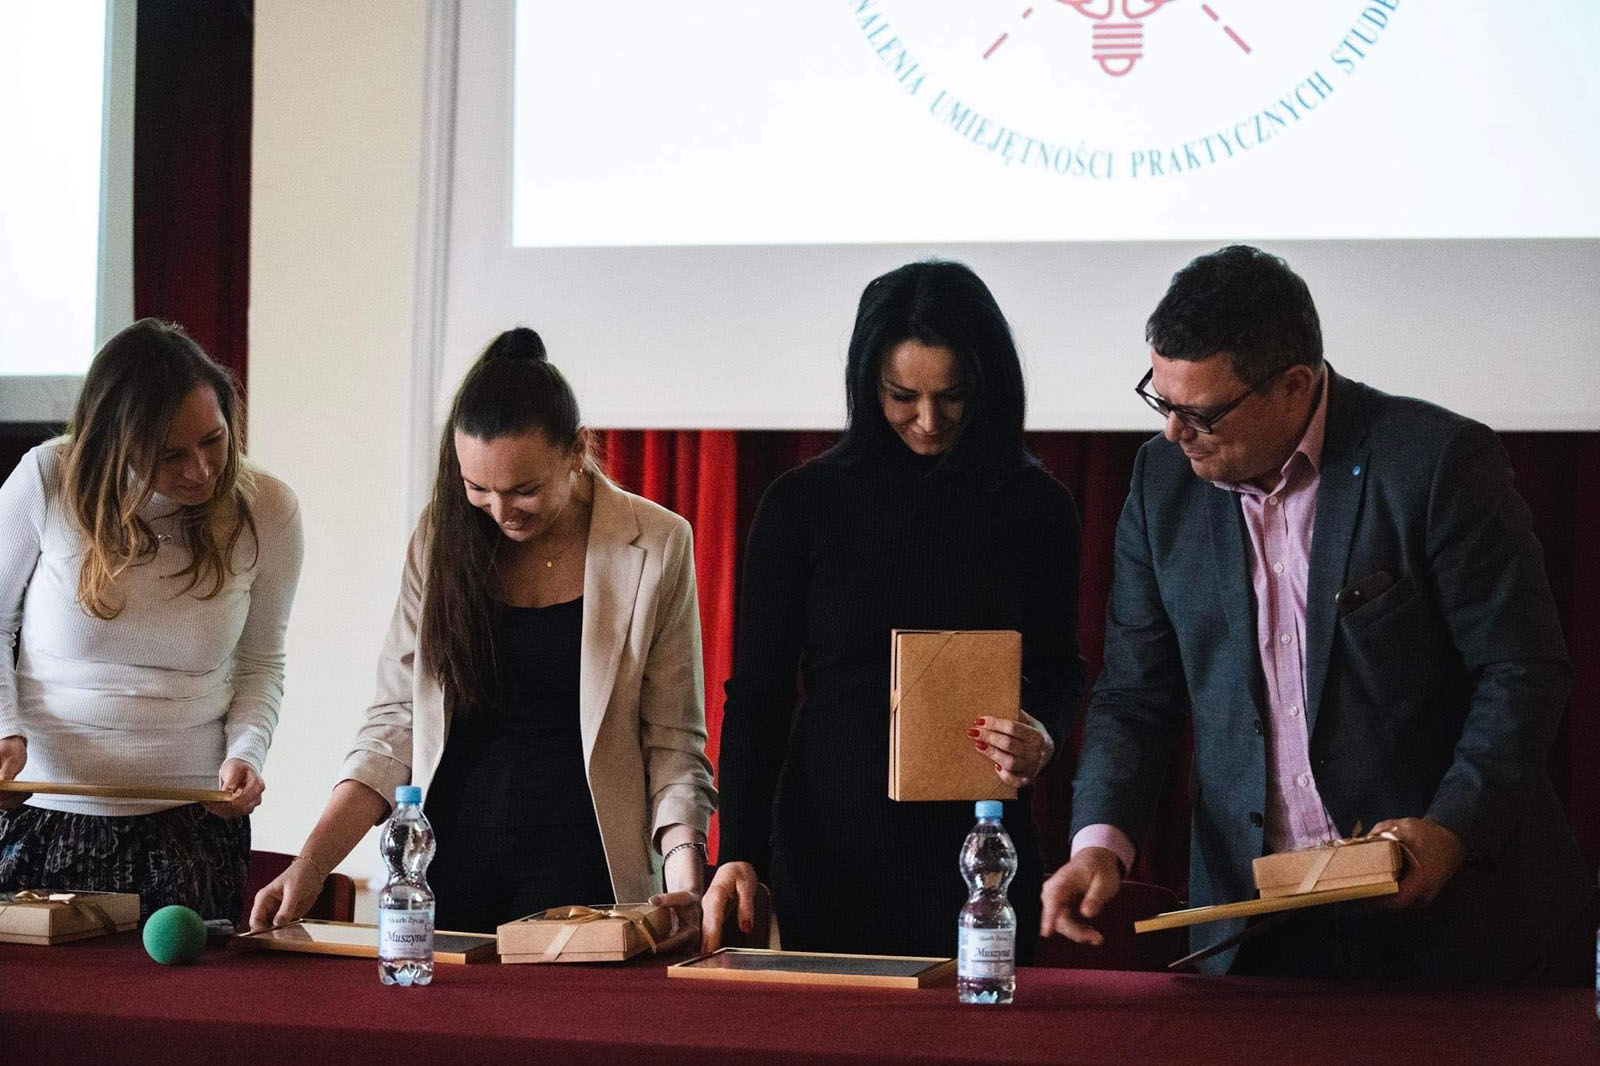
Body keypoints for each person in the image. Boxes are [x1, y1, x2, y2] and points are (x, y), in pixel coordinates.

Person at [1041, 245, 1594, 982]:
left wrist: (1452, 830)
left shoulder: (1434, 463)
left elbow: (1521, 671)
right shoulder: (1160, 482)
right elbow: (1135, 692)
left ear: (1295, 385)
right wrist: (1099, 844)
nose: (1174, 432)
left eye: (1199, 413)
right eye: (1161, 401)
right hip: (1258, 924)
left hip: (1450, 915)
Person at [251, 328, 715, 941]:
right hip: (446, 863)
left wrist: (684, 884)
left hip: (586, 866)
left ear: (577, 450)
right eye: (478, 490)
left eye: (525, 490)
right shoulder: (441, 538)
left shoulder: (655, 543)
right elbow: (394, 724)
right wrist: (310, 866)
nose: (500, 512)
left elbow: (673, 744)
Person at [703, 260, 1084, 958]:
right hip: (828, 856)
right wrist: (738, 851)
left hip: (981, 856)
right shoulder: (801, 505)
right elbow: (757, 695)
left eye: (953, 396)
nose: (929, 421)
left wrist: (1045, 734)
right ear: (866, 383)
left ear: (989, 385)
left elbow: (1061, 669)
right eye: (902, 396)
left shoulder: (1037, 506)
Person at [0, 319, 303, 920]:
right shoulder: (47, 478)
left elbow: (260, 662)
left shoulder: (267, 509)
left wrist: (246, 752)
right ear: (117, 445)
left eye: (213, 440)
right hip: (45, 813)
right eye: (170, 454)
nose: (201, 469)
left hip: (190, 829)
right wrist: (5, 728)